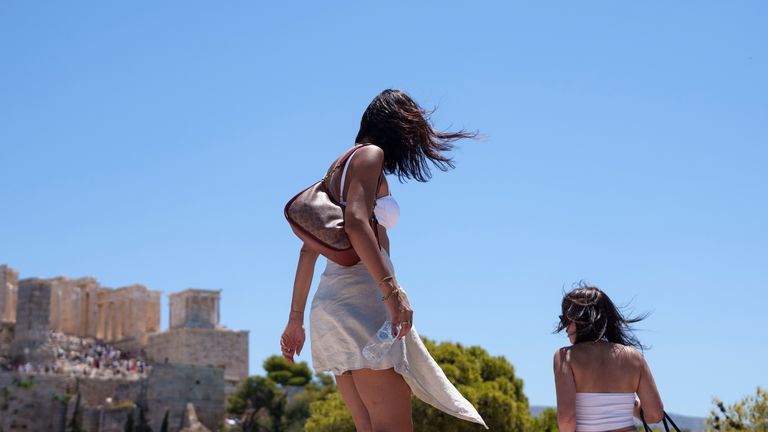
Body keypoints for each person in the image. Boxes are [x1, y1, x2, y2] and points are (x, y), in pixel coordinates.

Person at [280, 89, 487, 432]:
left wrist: (295, 320)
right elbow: (357, 223)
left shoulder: (338, 168)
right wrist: (392, 292)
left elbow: (308, 250)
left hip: (332, 307)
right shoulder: (369, 155)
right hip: (362, 303)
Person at [553, 284, 664, 432]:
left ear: (578, 319)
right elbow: (655, 414)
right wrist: (625, 404)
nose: (565, 327)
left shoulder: (565, 357)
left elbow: (567, 418)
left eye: (565, 318)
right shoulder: (633, 357)